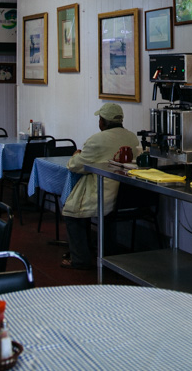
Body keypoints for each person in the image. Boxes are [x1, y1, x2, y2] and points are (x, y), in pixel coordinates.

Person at [61, 103, 140, 270]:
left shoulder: (97, 140)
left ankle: (80, 259)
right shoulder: (132, 137)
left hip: (103, 192)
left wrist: (76, 155)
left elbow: (76, 166)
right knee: (108, 216)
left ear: (103, 121)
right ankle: (109, 252)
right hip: (127, 195)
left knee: (71, 213)